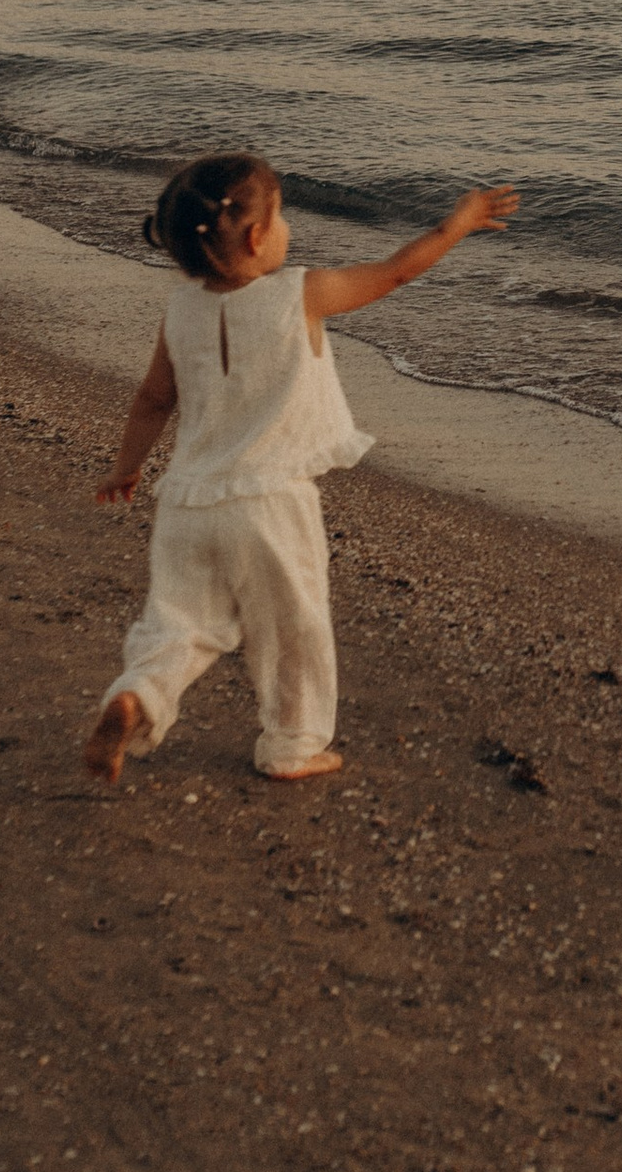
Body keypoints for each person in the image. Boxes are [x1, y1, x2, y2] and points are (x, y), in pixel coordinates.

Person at [83, 151, 517, 791]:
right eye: (282, 215)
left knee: (178, 621)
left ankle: (137, 696)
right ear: (258, 237)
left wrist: (126, 468)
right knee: (293, 629)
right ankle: (291, 744)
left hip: (187, 503)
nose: (287, 229)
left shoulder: (181, 311)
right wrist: (459, 222)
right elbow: (396, 272)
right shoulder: (301, 293)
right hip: (271, 503)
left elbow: (153, 399)